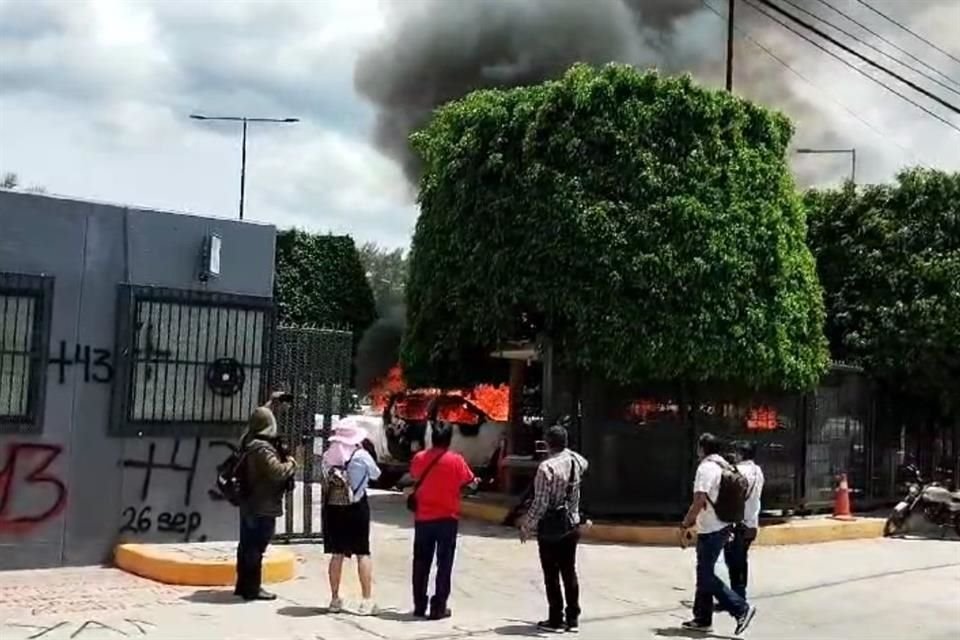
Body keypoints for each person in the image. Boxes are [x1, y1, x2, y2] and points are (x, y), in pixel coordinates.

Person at [681, 433, 757, 635]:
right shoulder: (724, 465)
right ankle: (702, 618)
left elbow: (699, 500)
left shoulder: (705, 468)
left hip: (711, 529)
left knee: (706, 575)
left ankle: (740, 609)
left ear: (701, 448)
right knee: (703, 573)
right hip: (724, 525)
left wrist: (687, 522)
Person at [519, 424, 588, 634]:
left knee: (551, 573)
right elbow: (585, 464)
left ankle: (556, 618)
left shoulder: (546, 468)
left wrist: (526, 525)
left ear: (548, 444)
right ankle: (573, 618)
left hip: (550, 527)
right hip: (572, 522)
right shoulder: (577, 460)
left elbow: (540, 503)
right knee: (569, 571)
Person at [409, 421, 479, 620]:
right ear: (449, 439)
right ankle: (439, 606)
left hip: (423, 518)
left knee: (421, 562)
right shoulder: (456, 461)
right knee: (444, 563)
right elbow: (469, 483)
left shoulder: (419, 458)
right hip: (447, 519)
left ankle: (419, 604)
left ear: (432, 438)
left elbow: (415, 477)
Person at [235, 391, 297, 601]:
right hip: (262, 505)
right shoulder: (262, 448)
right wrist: (291, 463)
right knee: (256, 548)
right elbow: (277, 472)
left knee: (246, 545)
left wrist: (272, 402)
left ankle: (243, 586)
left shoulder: (248, 440)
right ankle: (253, 589)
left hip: (249, 502)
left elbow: (260, 417)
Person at [321, 421, 381, 616]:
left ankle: (335, 598)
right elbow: (376, 474)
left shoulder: (328, 457)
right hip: (356, 507)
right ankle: (366, 601)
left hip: (334, 507)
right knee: (362, 553)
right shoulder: (361, 455)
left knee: (336, 553)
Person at [723, 441, 764, 602]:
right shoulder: (758, 470)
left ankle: (737, 597)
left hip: (737, 523)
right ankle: (739, 593)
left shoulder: (737, 471)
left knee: (733, 561)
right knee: (741, 559)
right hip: (752, 522)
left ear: (740, 454)